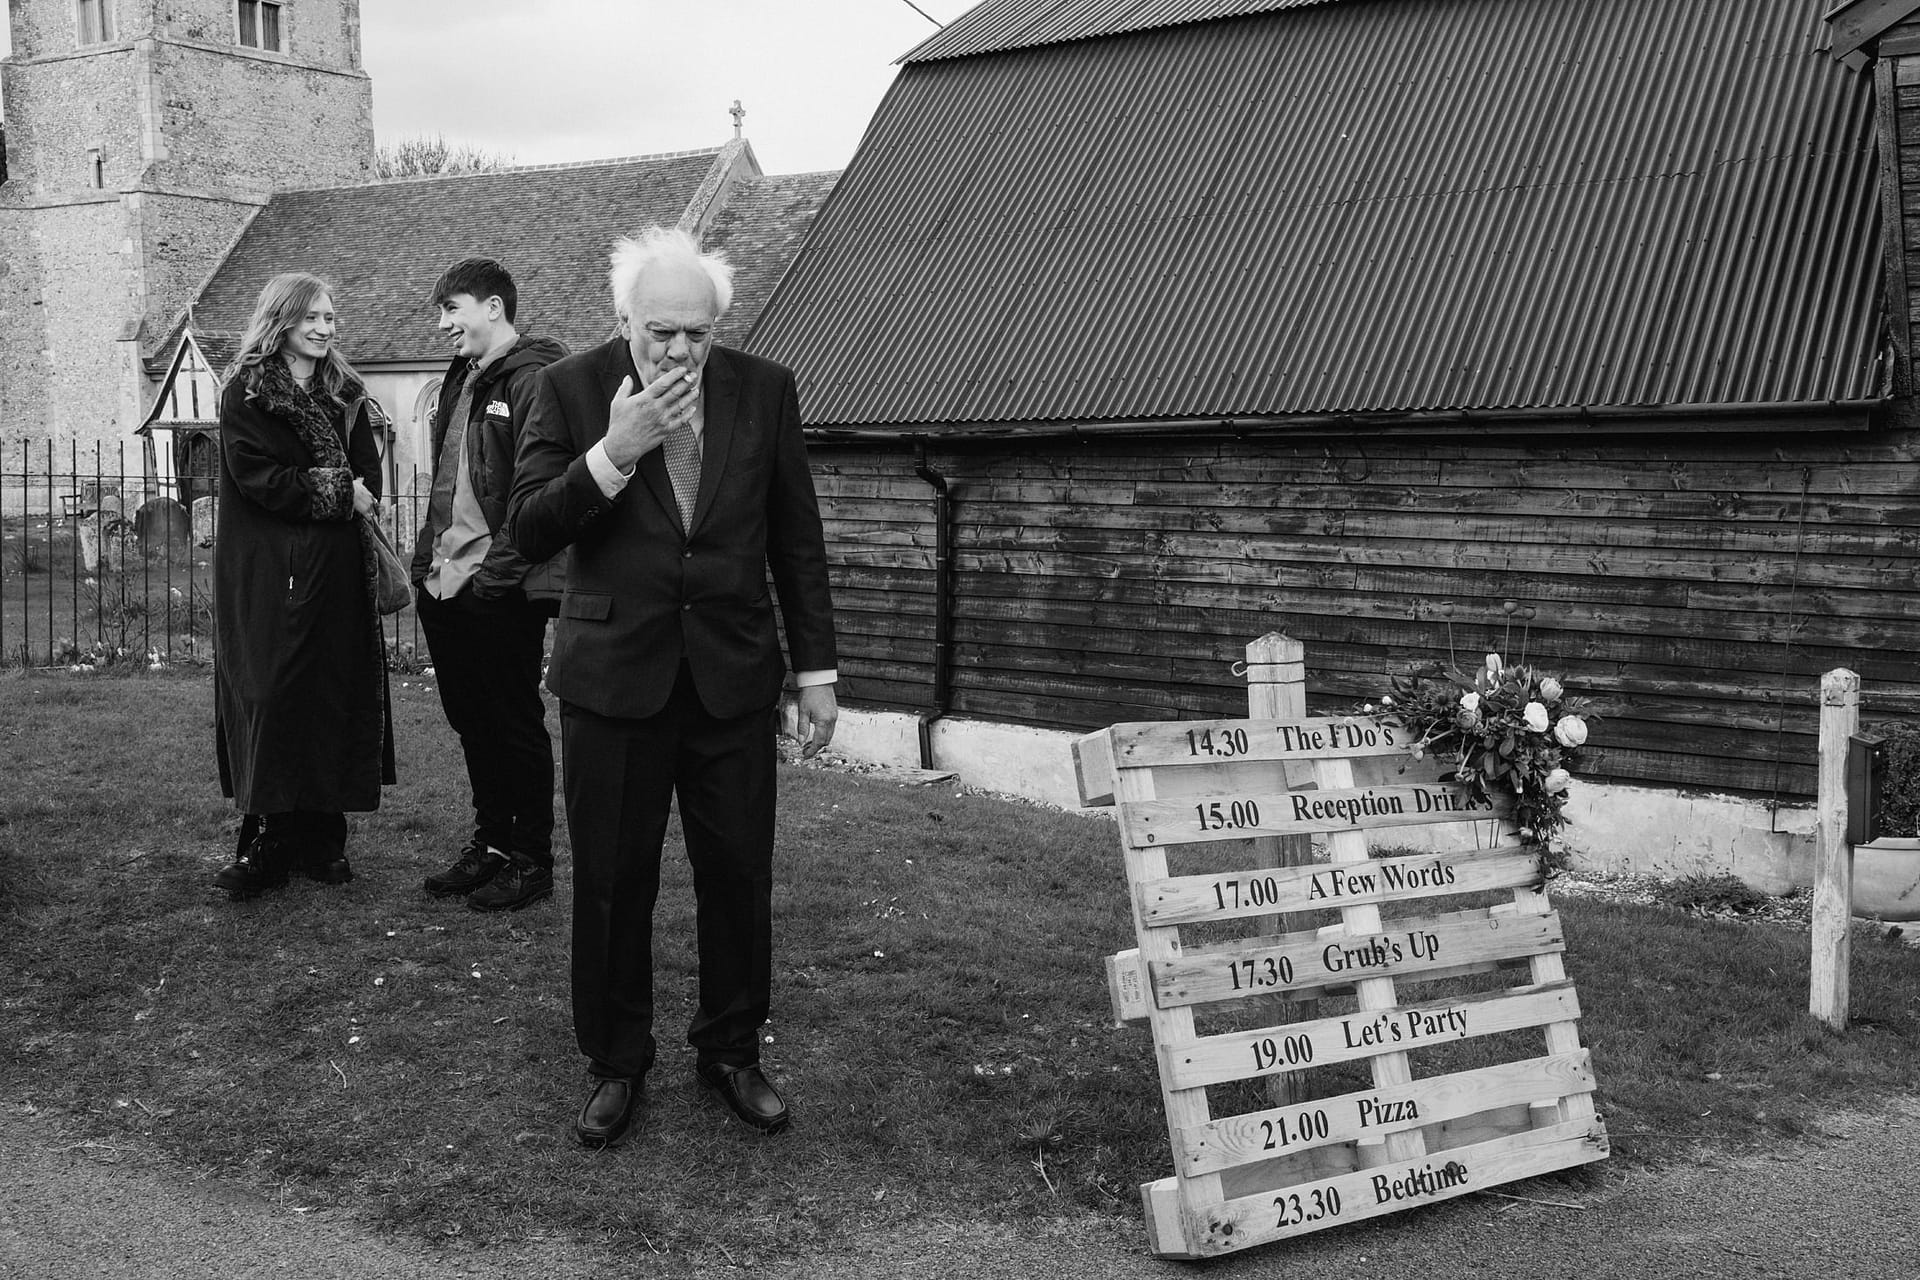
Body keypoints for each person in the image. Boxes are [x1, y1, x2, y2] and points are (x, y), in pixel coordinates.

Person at [508, 226, 838, 1144]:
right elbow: (528, 528)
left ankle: (731, 1051)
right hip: (614, 683)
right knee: (612, 882)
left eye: (698, 333)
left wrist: (816, 671)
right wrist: (612, 454)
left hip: (733, 679)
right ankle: (616, 1062)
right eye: (662, 332)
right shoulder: (567, 388)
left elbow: (796, 538)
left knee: (738, 877)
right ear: (624, 321)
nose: (681, 351)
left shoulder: (765, 390)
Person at [212, 272, 394, 899]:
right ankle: (265, 839)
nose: (323, 328)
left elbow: (370, 477)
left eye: (329, 317)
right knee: (271, 693)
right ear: (281, 320)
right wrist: (339, 491)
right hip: (269, 570)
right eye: (311, 317)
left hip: (337, 568)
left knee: (329, 693)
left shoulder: (346, 393)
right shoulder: (248, 392)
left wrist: (352, 492)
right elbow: (258, 478)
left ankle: (323, 839)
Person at [410, 258, 568, 912]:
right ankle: (493, 846)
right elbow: (450, 483)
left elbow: (540, 492)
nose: (443, 324)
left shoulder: (536, 378)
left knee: (513, 723)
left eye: (453, 309)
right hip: (444, 584)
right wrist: (426, 566)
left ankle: (531, 861)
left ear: (493, 307)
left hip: (497, 588)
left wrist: (494, 581)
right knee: (473, 723)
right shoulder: (463, 375)